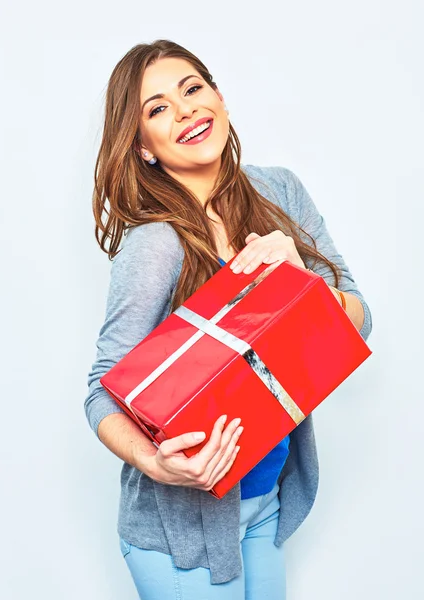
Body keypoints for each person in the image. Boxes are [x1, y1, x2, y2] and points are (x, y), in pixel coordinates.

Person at [84, 39, 372, 599]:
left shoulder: (280, 191)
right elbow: (101, 388)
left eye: (193, 89)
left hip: (264, 509)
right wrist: (154, 462)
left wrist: (304, 282)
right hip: (177, 534)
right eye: (158, 108)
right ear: (142, 146)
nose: (186, 109)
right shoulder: (154, 244)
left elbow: (359, 320)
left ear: (219, 98)